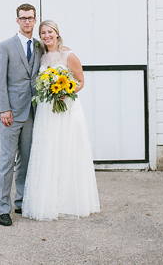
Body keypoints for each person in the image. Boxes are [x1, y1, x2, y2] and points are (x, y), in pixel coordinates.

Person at [22, 20, 100, 221]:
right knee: (48, 151)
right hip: (47, 111)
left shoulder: (68, 55)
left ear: (57, 33)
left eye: (50, 32)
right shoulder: (42, 57)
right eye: (43, 33)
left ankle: (68, 201)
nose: (47, 35)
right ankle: (49, 201)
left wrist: (66, 91)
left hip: (66, 110)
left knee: (66, 150)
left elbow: (80, 81)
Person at [0, 3, 42, 226]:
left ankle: (21, 201)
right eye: (23, 18)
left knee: (26, 160)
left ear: (35, 19)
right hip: (11, 113)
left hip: (33, 111)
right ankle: (3, 208)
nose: (27, 22)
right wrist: (4, 109)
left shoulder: (39, 47)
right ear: (17, 20)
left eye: (30, 18)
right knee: (7, 161)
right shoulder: (5, 46)